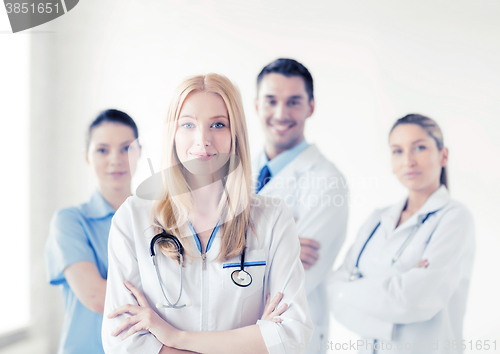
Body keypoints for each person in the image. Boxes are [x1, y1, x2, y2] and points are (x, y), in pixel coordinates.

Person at [102, 73, 313, 354]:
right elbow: (123, 342)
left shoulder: (272, 218)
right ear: (173, 134)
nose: (202, 140)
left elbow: (293, 337)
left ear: (235, 134)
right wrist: (257, 339)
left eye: (218, 124)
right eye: (187, 124)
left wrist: (175, 337)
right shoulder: (132, 218)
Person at [328, 114, 475, 353]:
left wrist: (356, 289)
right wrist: (391, 301)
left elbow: (411, 300)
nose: (408, 160)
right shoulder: (377, 219)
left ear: (443, 155)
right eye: (397, 151)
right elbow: (333, 292)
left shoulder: (455, 218)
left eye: (419, 148)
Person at [253, 58, 348, 353]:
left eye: (294, 102)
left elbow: (292, 282)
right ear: (256, 104)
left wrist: (238, 243)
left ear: (311, 106)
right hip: (235, 335)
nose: (281, 113)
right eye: (271, 101)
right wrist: (275, 246)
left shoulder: (327, 181)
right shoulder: (233, 172)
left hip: (289, 338)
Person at [45, 109, 141, 354]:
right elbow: (97, 298)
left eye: (125, 148)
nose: (115, 160)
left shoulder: (159, 222)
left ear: (138, 152)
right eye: (102, 150)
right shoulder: (70, 222)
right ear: (87, 157)